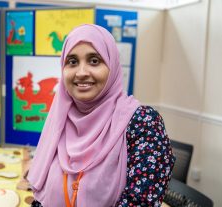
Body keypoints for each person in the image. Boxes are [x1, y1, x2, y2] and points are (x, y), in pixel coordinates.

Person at [27, 24, 175, 207]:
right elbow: (41, 199)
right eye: (72, 62)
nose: (81, 73)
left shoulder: (144, 123)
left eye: (94, 61)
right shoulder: (60, 120)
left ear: (112, 65)